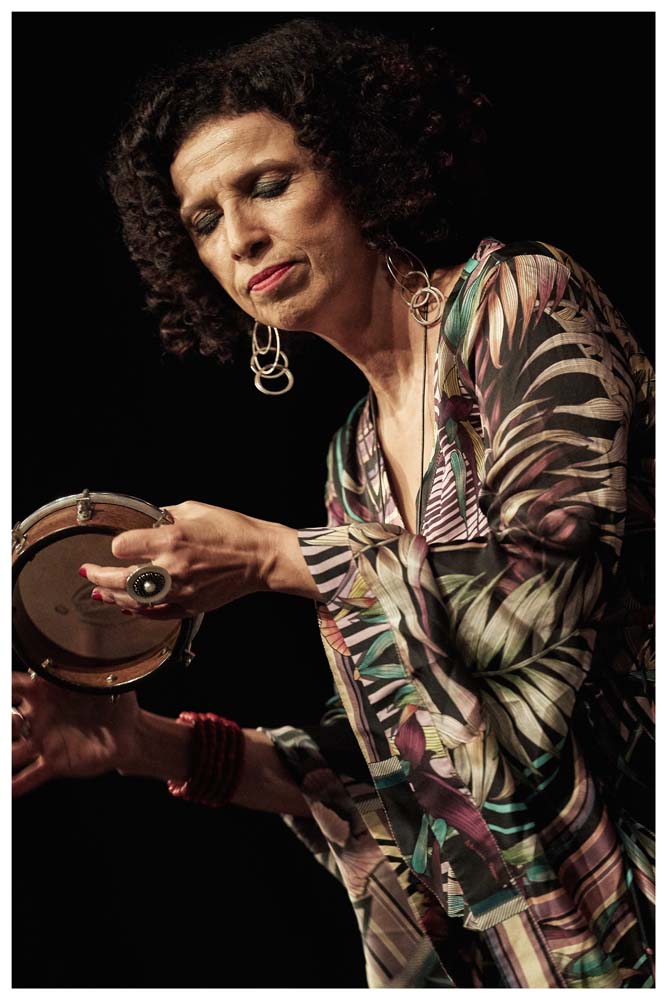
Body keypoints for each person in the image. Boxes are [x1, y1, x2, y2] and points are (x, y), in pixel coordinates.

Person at [11, 19, 654, 989]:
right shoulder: (353, 463)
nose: (240, 238)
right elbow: (408, 772)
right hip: (547, 957)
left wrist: (276, 558)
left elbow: (545, 590)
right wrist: (141, 742)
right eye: (203, 220)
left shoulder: (515, 301)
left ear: (357, 169)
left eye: (267, 184)